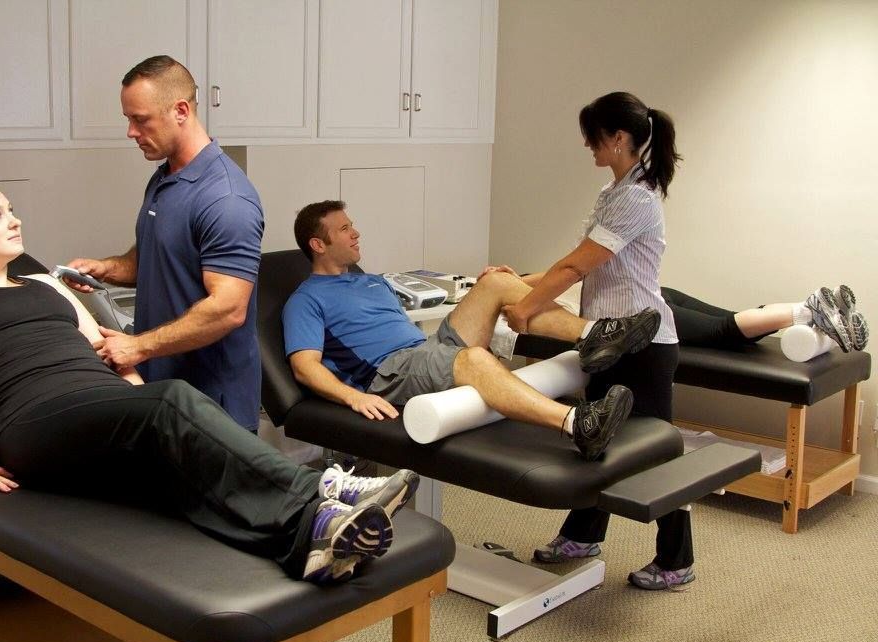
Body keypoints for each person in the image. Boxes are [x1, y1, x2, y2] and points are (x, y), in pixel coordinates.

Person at [0, 181, 420, 584]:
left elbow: (109, 353)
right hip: (32, 424)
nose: (15, 220)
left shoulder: (51, 286)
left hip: (100, 408)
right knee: (178, 401)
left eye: (12, 209)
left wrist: (140, 395)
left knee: (181, 470)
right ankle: (326, 489)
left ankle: (308, 542)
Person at [282, 200, 666, 462]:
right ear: (318, 244)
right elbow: (305, 365)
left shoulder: (371, 281)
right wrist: (352, 397)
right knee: (474, 359)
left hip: (425, 350)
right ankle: (577, 425)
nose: (356, 233)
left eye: (352, 225)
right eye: (345, 229)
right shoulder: (306, 300)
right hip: (390, 373)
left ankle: (595, 335)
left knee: (496, 282)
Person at [498, 92, 691, 591]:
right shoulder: (617, 190)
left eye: (593, 137)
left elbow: (575, 267)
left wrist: (524, 307)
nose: (588, 146)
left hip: (645, 345)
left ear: (618, 138)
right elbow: (576, 262)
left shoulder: (635, 198)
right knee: (596, 437)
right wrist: (517, 280)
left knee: (656, 451)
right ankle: (583, 533)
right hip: (607, 340)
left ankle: (677, 559)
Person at [66, 55, 264, 432]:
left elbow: (228, 309)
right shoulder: (164, 179)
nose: (130, 131)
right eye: (128, 119)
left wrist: (137, 346)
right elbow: (156, 259)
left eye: (140, 119)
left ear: (181, 110)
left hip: (213, 404)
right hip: (162, 387)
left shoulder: (226, 198)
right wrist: (104, 269)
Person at [662, 286, 869, 352]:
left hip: (645, 304)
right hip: (659, 292)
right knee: (737, 324)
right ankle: (818, 309)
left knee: (723, 329)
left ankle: (808, 311)